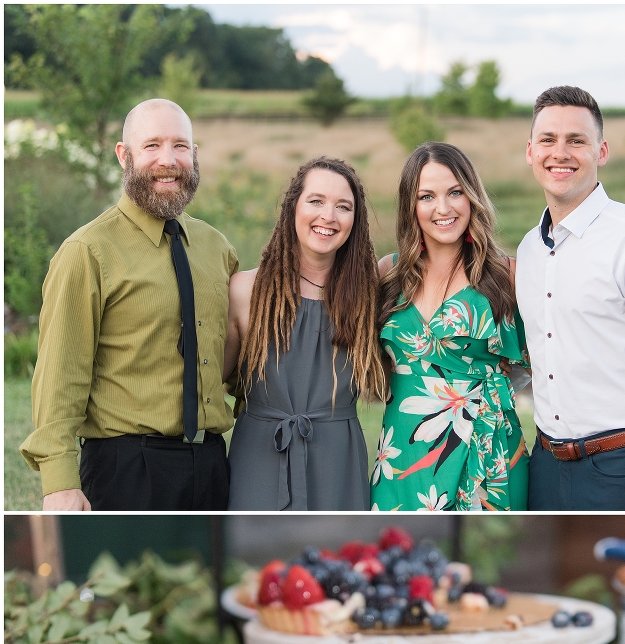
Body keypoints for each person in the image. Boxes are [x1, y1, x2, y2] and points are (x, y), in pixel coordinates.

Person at [20, 99, 237, 511]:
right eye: (152, 145)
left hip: (212, 465)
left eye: (180, 146)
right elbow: (60, 374)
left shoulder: (217, 248)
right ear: (125, 155)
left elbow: (236, 357)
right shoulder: (87, 251)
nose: (168, 160)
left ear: (194, 155)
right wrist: (59, 482)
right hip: (126, 468)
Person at [515, 86, 625, 511]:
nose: (561, 152)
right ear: (530, 151)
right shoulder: (528, 250)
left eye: (576, 140)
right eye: (548, 140)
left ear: (602, 150)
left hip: (623, 469)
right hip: (544, 466)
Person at [371, 142, 529, 511]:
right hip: (401, 455)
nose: (443, 208)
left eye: (455, 192)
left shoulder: (508, 275)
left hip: (489, 450)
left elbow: (540, 365)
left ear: (472, 197)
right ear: (411, 206)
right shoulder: (388, 273)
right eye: (427, 196)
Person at [224, 157, 383, 510]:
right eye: (316, 201)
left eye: (343, 207)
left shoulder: (370, 295)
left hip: (338, 462)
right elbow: (214, 380)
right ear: (292, 206)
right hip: (259, 457)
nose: (329, 216)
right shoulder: (245, 291)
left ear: (355, 222)